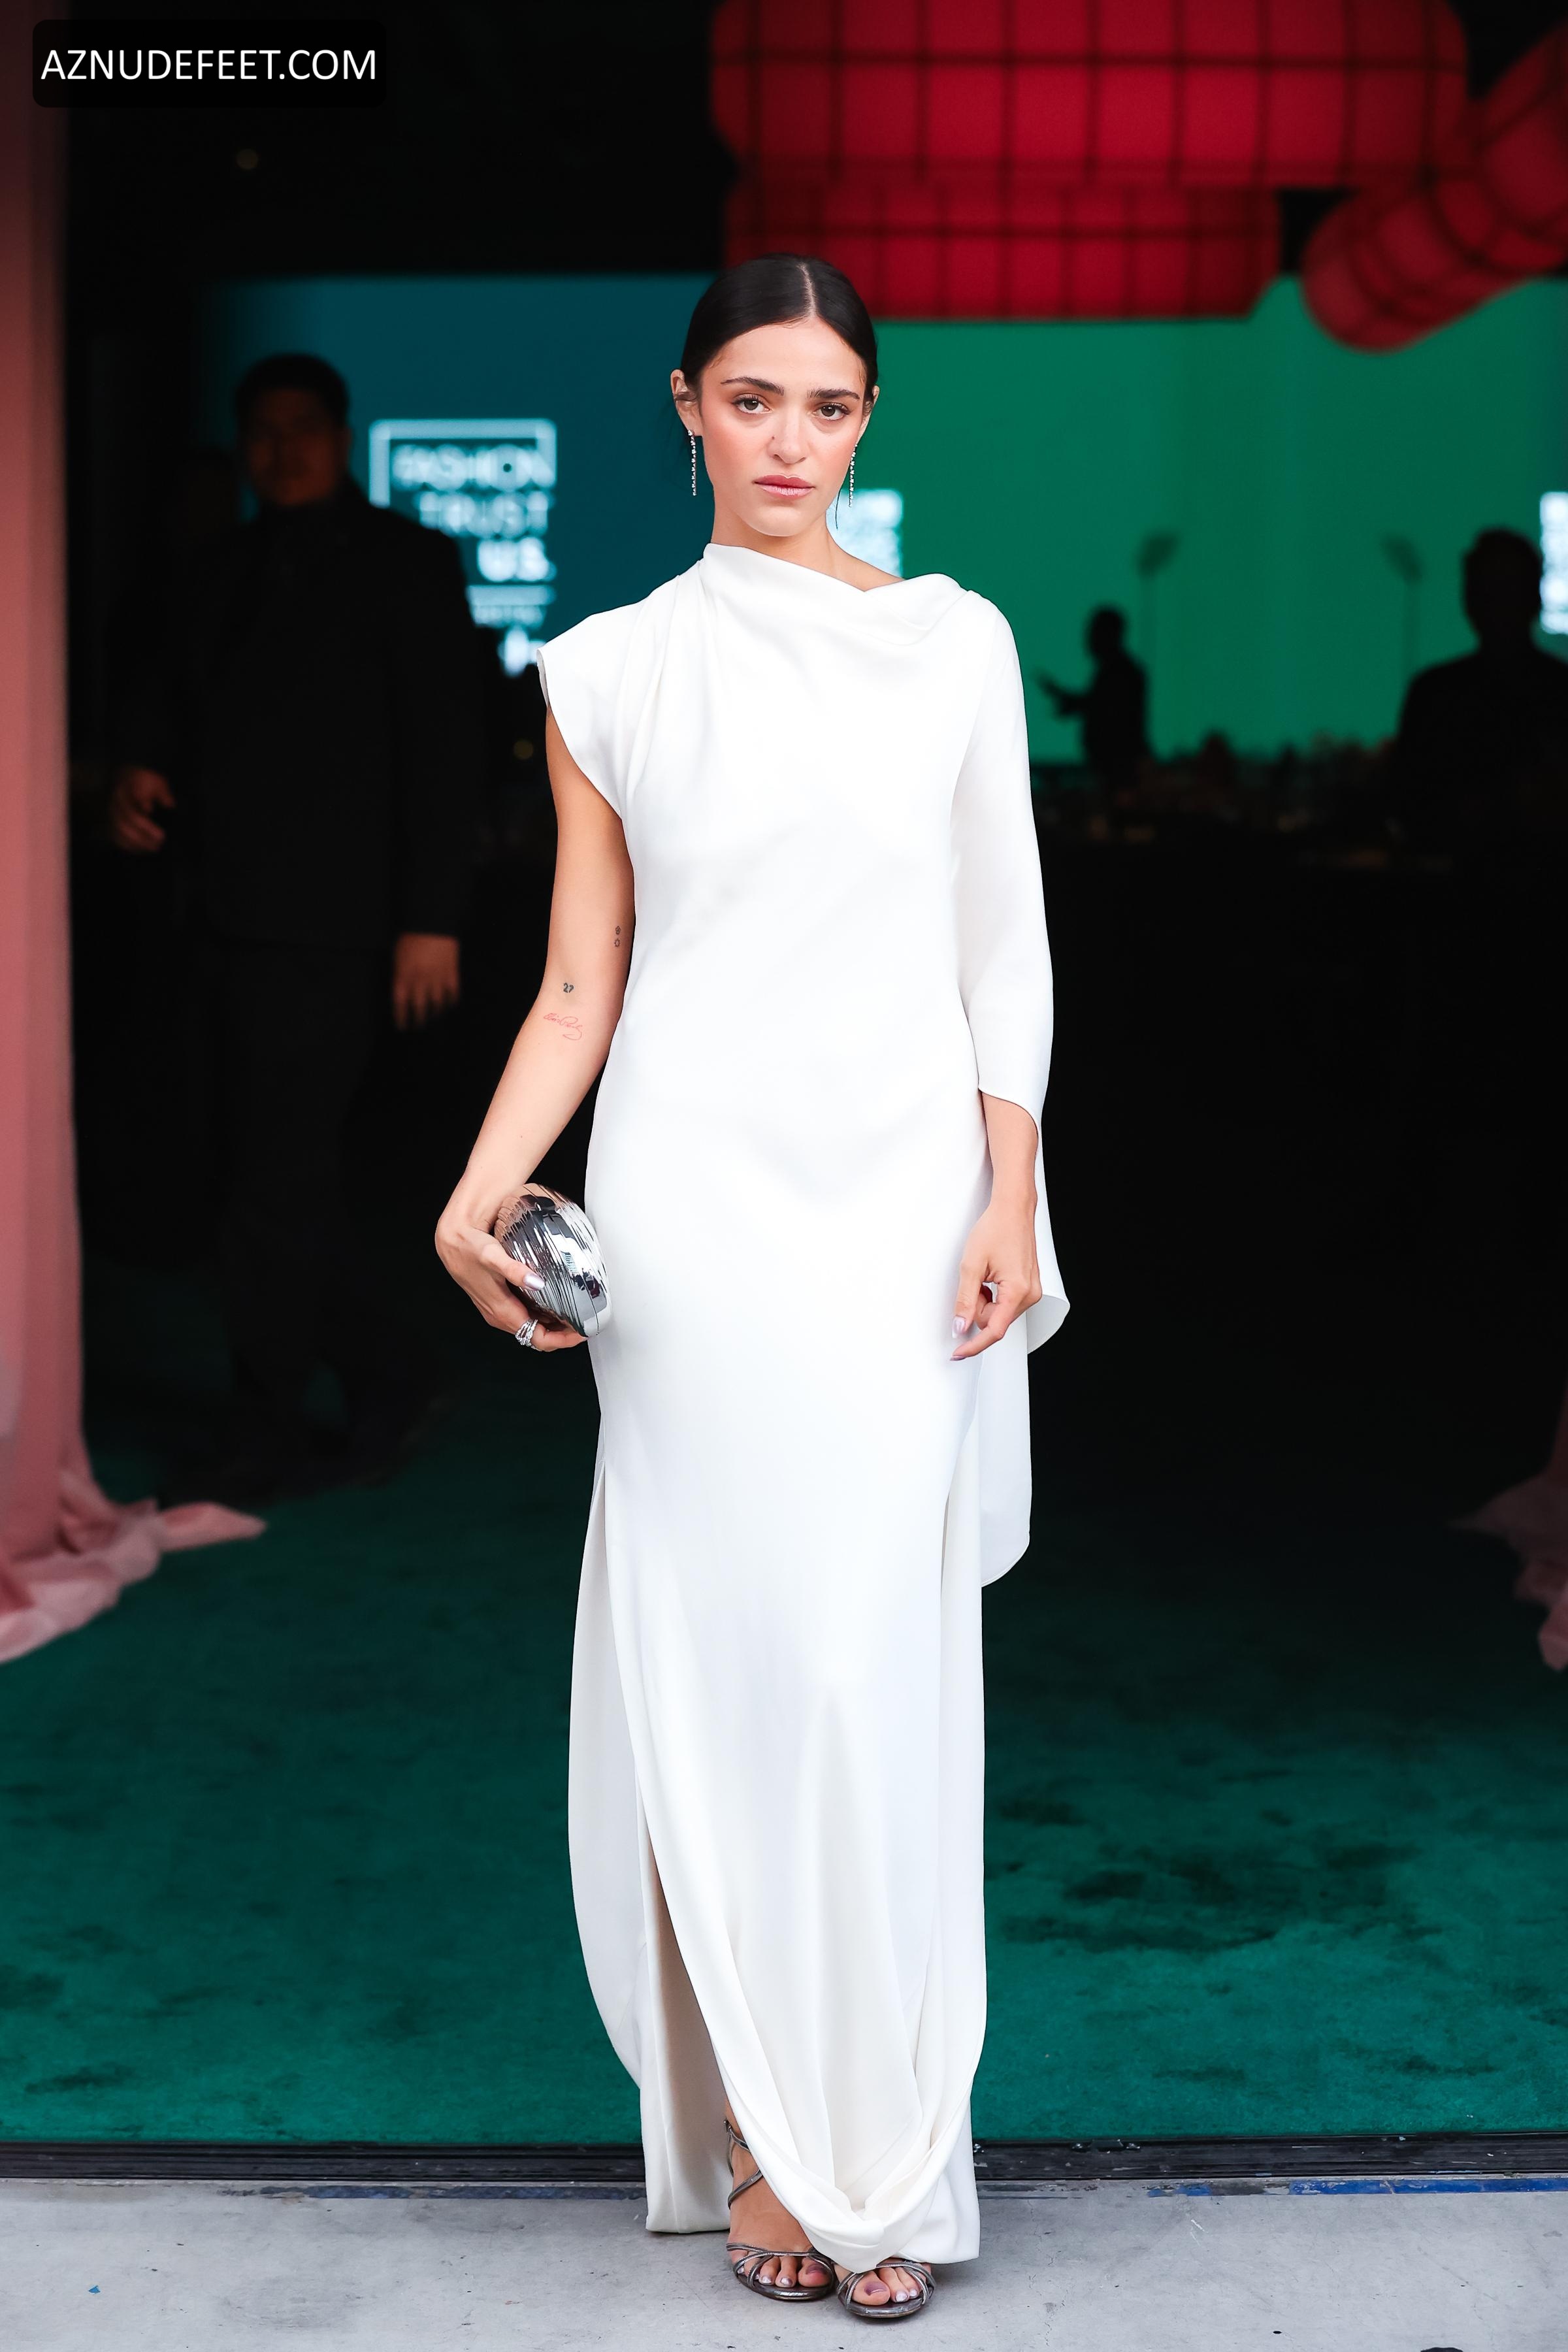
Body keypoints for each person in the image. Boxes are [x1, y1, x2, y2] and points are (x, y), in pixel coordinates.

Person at [436, 253, 1068, 2320]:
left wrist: (1010, 1190)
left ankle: (871, 2138)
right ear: (686, 405)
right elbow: (578, 982)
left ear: (867, 420)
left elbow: (1001, 945)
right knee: (721, 1674)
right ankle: (763, 2148)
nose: (792, 438)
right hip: (693, 1218)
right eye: (755, 397)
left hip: (898, 1212)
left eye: (830, 403)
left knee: (863, 1676)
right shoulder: (607, 672)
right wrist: (480, 1186)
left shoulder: (954, 645)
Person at [108, 353, 485, 1504]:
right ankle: (385, 1376)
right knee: (249, 1178)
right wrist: (138, 772)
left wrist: (431, 922)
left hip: (339, 931)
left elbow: (446, 751)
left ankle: (271, 1422)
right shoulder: (215, 566)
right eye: (262, 431)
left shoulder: (407, 563)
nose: (282, 448)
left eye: (302, 427)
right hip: (215, 915)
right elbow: (171, 708)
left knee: (273, 1183)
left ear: (342, 436)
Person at [1036, 605, 1149, 799]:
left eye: (1095, 632)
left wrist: (1067, 700)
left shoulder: (1120, 673)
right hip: (1111, 769)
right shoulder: (1121, 671)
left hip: (1116, 771)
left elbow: (1104, 708)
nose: (1089, 638)